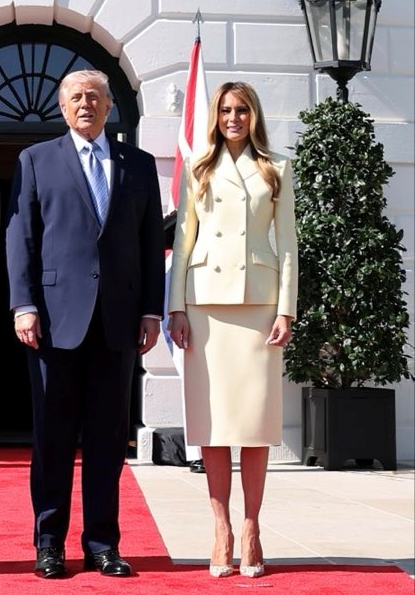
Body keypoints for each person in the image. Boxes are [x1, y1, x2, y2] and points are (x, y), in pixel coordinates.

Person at [5, 69, 165, 579]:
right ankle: (48, 543)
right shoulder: (36, 160)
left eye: (95, 96)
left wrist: (150, 310)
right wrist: (23, 304)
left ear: (110, 105)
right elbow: (22, 238)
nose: (86, 104)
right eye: (77, 97)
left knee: (107, 439)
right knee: (52, 437)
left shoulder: (138, 165)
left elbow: (147, 244)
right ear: (62, 106)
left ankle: (102, 543)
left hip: (117, 322)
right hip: (54, 322)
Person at [167, 81, 298, 579]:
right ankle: (220, 526)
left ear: (254, 114)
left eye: (242, 109)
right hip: (205, 306)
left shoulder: (277, 168)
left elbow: (287, 245)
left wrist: (286, 309)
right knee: (214, 422)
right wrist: (175, 305)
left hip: (259, 305)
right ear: (216, 116)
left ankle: (251, 526)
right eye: (225, 109)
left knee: (255, 424)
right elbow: (183, 242)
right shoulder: (199, 167)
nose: (233, 117)